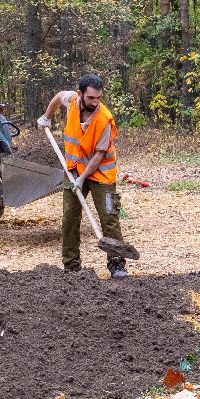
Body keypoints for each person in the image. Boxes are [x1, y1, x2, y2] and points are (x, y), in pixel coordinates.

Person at [38, 74, 129, 278]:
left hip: (101, 174)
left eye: (98, 98)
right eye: (91, 98)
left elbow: (99, 155)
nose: (95, 102)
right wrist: (46, 117)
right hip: (73, 169)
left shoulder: (104, 119)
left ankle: (117, 264)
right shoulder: (71, 100)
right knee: (70, 217)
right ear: (80, 94)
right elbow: (58, 97)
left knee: (110, 217)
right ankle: (71, 266)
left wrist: (82, 179)